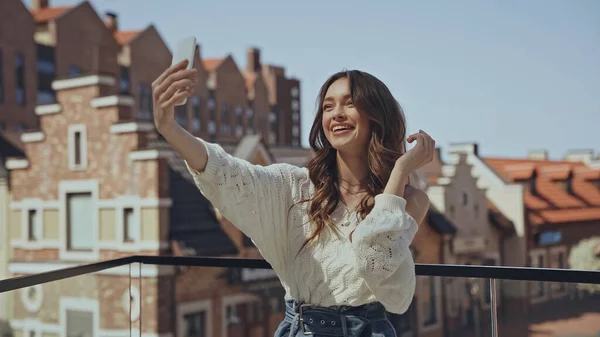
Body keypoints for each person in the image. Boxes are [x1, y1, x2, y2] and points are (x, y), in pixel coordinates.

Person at [152, 60, 434, 337]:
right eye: (328, 106)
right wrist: (169, 128)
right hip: (301, 329)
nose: (336, 113)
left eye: (349, 103)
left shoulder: (409, 200)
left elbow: (380, 267)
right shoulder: (295, 187)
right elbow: (225, 173)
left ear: (377, 116)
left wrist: (399, 171)